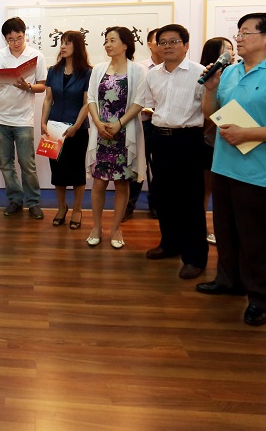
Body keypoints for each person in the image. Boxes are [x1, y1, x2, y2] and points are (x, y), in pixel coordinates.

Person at [197, 13, 266, 327]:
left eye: (245, 33)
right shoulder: (231, 72)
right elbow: (211, 114)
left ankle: (261, 299)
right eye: (238, 32)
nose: (239, 38)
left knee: (256, 239)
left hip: (258, 171)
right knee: (226, 231)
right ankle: (228, 280)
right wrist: (210, 89)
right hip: (223, 165)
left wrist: (248, 134)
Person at [142, 24, 208, 279]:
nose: (167, 46)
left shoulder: (200, 73)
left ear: (186, 45)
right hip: (160, 138)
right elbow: (150, 106)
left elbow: (209, 110)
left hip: (188, 139)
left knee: (190, 200)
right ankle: (169, 244)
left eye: (174, 41)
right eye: (163, 42)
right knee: (164, 196)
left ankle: (195, 257)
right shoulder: (153, 75)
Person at [86, 27, 149, 249]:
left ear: (125, 44)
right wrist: (97, 123)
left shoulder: (138, 70)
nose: (108, 44)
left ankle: (115, 229)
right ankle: (96, 227)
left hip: (123, 133)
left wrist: (119, 124)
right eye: (106, 41)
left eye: (112, 40)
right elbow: (91, 99)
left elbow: (139, 101)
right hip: (101, 133)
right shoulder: (99, 69)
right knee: (98, 182)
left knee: (122, 183)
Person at [0, 17, 48, 219]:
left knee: (27, 163)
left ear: (25, 35)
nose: (15, 42)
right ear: (5, 39)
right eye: (11, 39)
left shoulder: (36, 56)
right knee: (6, 164)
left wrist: (27, 86)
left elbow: (42, 86)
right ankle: (15, 199)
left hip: (23, 119)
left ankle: (33, 202)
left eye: (19, 38)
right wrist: (1, 79)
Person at [40, 30, 91, 229]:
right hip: (54, 128)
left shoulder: (87, 72)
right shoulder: (53, 70)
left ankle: (77, 209)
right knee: (58, 172)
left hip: (77, 129)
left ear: (77, 46)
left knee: (77, 171)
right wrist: (43, 123)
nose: (62, 46)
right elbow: (48, 99)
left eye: (67, 43)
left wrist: (76, 126)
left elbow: (87, 104)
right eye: (62, 42)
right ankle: (62, 207)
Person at [199, 36, 235, 245]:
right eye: (227, 49)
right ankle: (202, 229)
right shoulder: (207, 76)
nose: (232, 53)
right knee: (206, 189)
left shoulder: (235, 74)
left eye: (232, 48)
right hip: (209, 141)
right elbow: (207, 113)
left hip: (233, 140)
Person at [127, 28, 162, 219]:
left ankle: (156, 204)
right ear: (149, 44)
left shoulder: (172, 68)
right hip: (143, 123)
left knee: (160, 168)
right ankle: (129, 205)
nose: (164, 45)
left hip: (164, 125)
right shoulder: (139, 68)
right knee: (137, 166)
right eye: (159, 41)